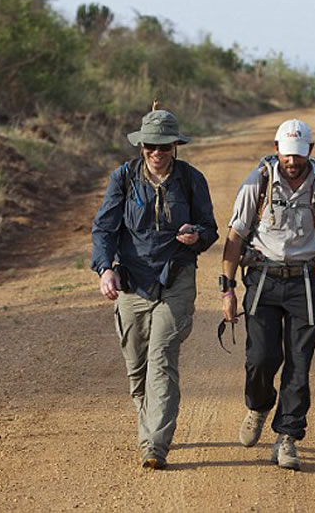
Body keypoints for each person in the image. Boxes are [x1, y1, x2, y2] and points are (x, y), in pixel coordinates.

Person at [91, 106, 218, 469]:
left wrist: (196, 237)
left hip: (175, 280)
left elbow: (210, 229)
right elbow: (104, 229)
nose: (157, 153)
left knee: (161, 359)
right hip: (132, 282)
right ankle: (150, 422)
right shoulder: (124, 178)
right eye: (151, 146)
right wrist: (105, 269)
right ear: (141, 146)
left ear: (175, 146)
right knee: (136, 366)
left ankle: (154, 444)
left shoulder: (191, 180)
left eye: (164, 146)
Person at [220, 119, 315, 471]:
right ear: (277, 149)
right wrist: (227, 288)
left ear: (310, 150)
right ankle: (259, 405)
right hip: (263, 278)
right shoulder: (257, 182)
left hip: (305, 283)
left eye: (299, 153)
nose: (292, 161)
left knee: (299, 364)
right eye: (287, 154)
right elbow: (235, 236)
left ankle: (288, 436)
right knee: (260, 358)